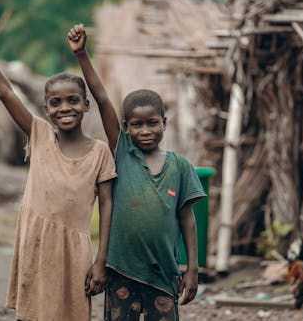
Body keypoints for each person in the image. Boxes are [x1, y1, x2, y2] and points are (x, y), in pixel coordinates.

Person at [0, 16, 117, 321]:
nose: (65, 108)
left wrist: (102, 260)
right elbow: (4, 91)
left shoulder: (99, 152)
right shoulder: (39, 135)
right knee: (31, 314)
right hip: (35, 244)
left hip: (74, 252)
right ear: (46, 109)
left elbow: (107, 207)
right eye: (56, 103)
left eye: (73, 100)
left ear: (86, 106)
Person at [68, 24, 206, 321]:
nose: (145, 131)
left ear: (164, 123)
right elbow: (103, 98)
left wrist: (192, 267)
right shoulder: (123, 154)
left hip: (164, 275)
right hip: (121, 272)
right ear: (126, 128)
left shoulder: (181, 166)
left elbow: (187, 220)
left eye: (152, 123)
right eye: (136, 125)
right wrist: (82, 55)